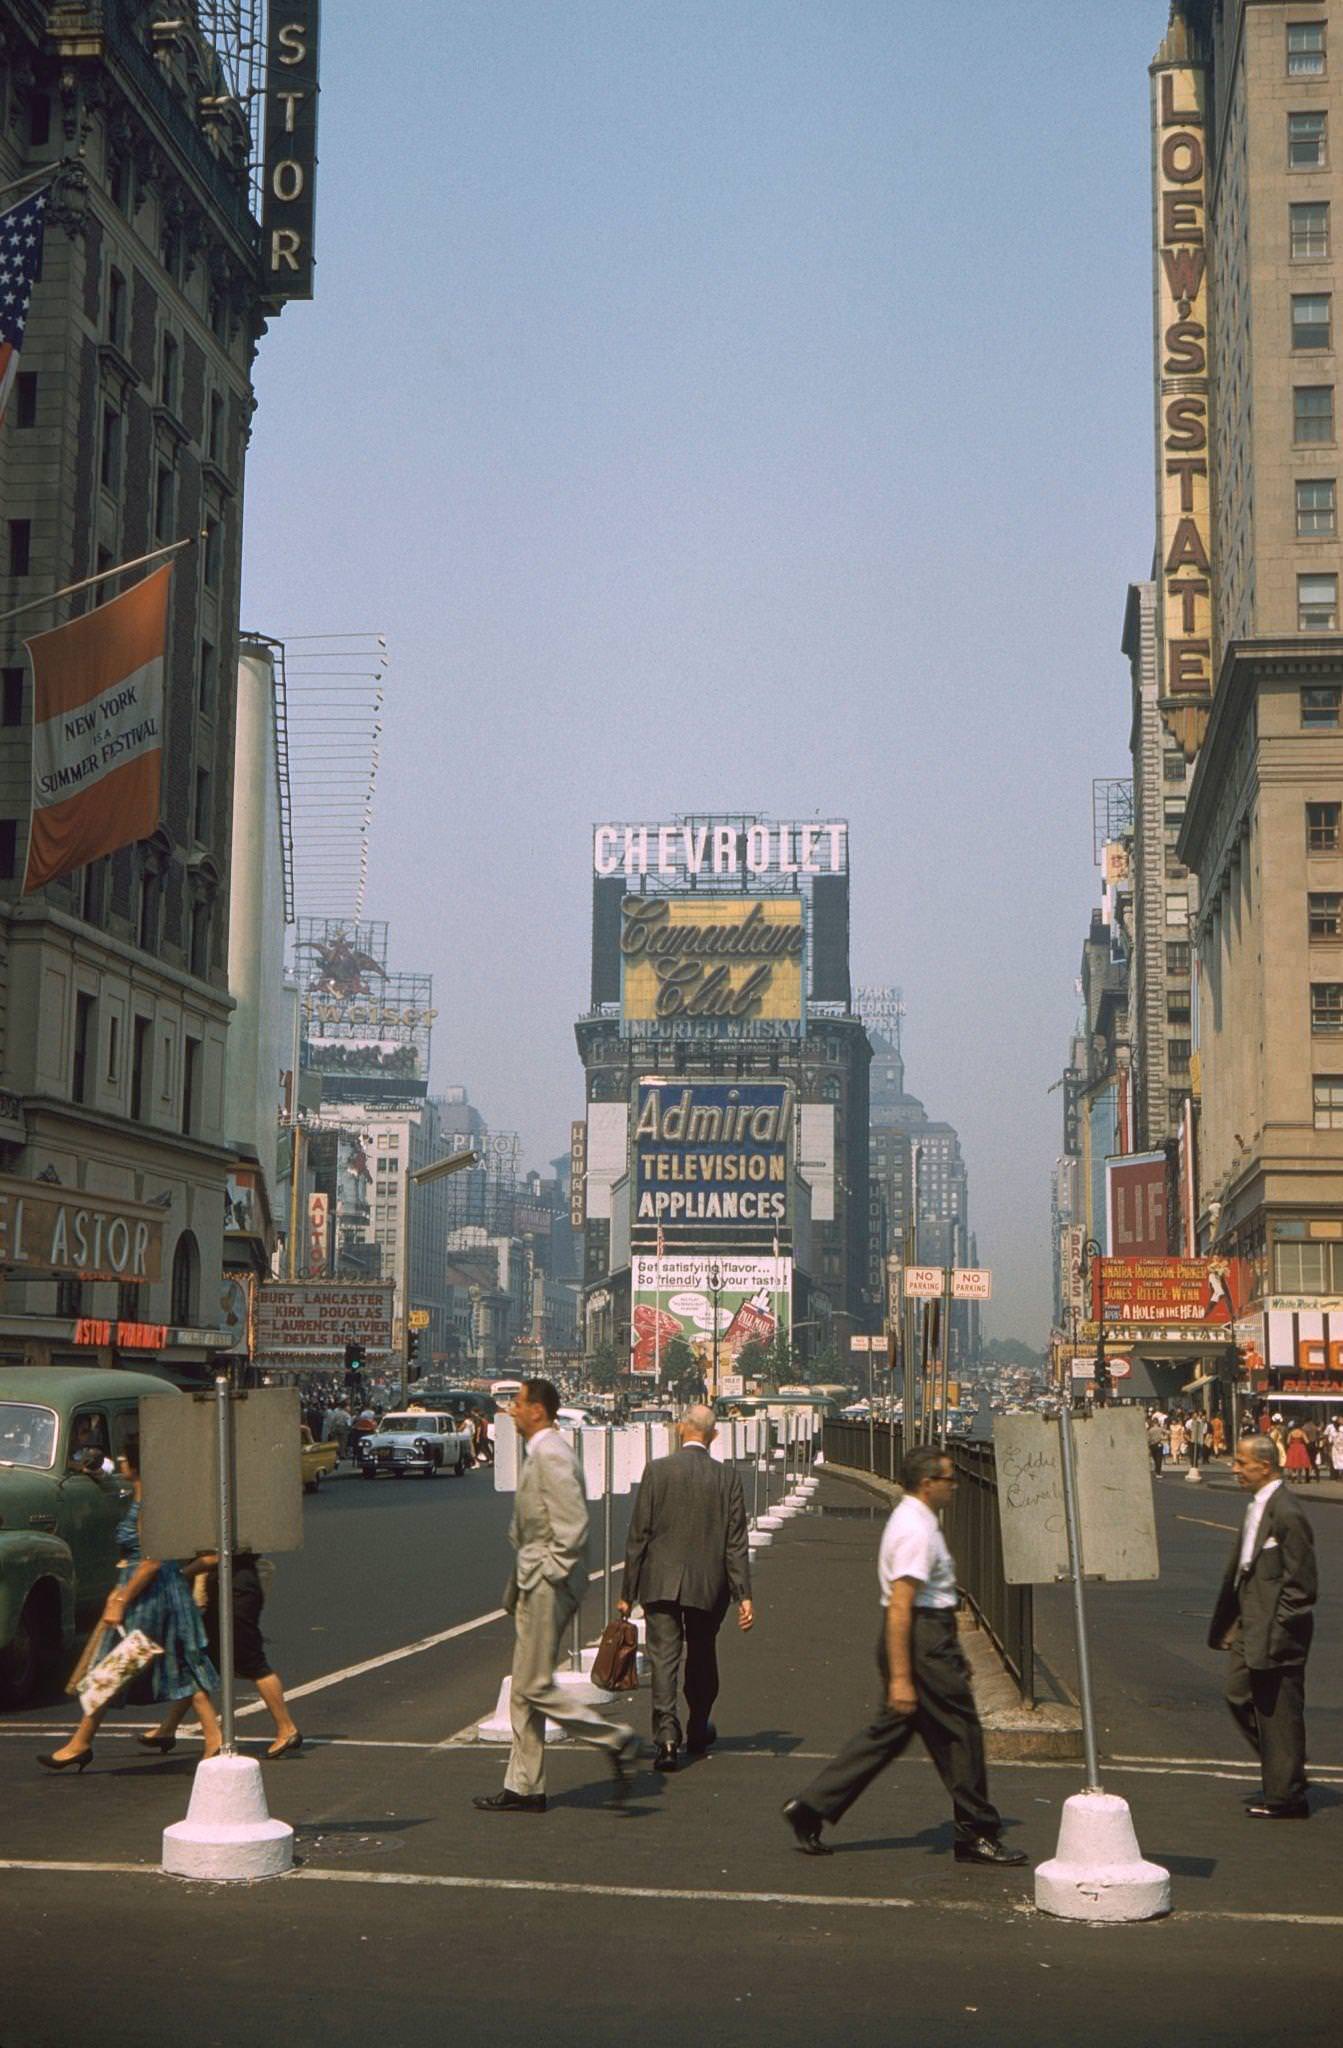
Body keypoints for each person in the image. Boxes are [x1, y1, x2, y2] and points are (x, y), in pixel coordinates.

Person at [781, 1444, 1025, 1866]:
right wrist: (901, 1677)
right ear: (928, 1483)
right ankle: (977, 1832)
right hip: (922, 1637)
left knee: (888, 1736)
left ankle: (811, 1806)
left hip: (929, 1637)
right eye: (949, 1478)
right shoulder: (915, 1529)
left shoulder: (917, 1519)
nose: (955, 1486)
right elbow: (901, 1604)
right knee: (960, 1735)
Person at [473, 1379, 637, 1815]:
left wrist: (549, 1575)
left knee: (532, 1685)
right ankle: (524, 1786)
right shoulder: (540, 1451)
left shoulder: (552, 1453)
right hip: (534, 1580)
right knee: (525, 1691)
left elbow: (572, 1524)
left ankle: (613, 1739)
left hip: (548, 1583)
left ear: (538, 1411)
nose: (511, 1410)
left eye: (519, 1403)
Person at [38, 1436, 221, 1773]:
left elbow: (151, 1560)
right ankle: (214, 1739)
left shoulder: (147, 1504)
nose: (119, 1463)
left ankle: (80, 1743)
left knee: (117, 1666)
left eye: (124, 1459)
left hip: (148, 1595)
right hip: (156, 1590)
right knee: (175, 1662)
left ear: (137, 1466)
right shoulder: (144, 1497)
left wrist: (121, 1599)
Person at [617, 1403, 754, 1771]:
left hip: (660, 1580)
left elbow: (639, 1536)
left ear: (681, 1429)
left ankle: (666, 1738)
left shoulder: (657, 1471)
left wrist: (626, 1593)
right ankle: (697, 1725)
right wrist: (744, 1595)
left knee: (664, 1658)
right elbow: (735, 1542)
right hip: (709, 1584)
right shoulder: (727, 1479)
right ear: (713, 1435)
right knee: (703, 1653)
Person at [1207, 1433, 1317, 1819]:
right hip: (1249, 1622)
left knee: (1278, 1710)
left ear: (1264, 1467)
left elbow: (1301, 1584)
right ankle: (1287, 1764)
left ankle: (1287, 1796)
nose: (1234, 1469)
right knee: (1237, 1695)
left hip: (1276, 1628)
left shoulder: (1287, 1511)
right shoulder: (1258, 1504)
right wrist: (1234, 1621)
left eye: (1241, 1463)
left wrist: (1282, 1627)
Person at [141, 1551, 302, 1759]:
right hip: (227, 1589)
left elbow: (213, 1558)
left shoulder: (227, 1525)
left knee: (252, 1662)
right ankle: (168, 1729)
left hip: (235, 1593)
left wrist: (180, 1574)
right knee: (199, 1661)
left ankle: (287, 1728)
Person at [1146, 1412, 1166, 1479]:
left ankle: (1156, 1471)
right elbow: (1168, 1432)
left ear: (1153, 1423)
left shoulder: (1150, 1430)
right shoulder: (1160, 1429)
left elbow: (1148, 1439)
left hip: (1152, 1445)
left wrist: (1148, 1446)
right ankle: (1158, 1473)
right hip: (1159, 1444)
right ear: (1157, 1422)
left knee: (1155, 1459)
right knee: (1159, 1459)